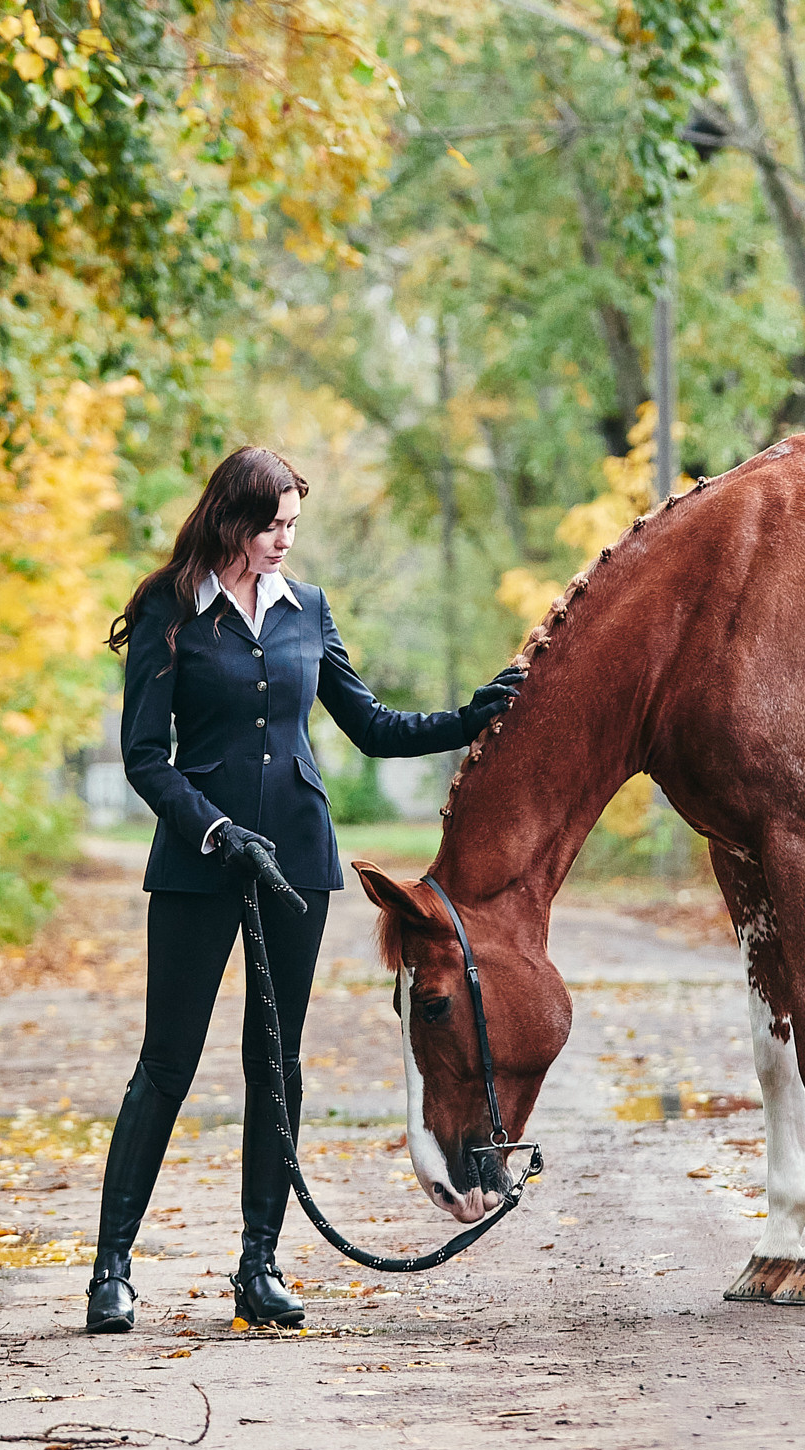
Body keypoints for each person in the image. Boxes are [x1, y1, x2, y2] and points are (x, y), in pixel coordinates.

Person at [91, 446, 522, 1333]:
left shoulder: (307, 610)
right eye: (274, 524)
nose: (287, 539)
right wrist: (215, 829)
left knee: (274, 1067)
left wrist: (467, 717)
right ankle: (112, 1269)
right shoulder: (167, 610)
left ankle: (259, 1263)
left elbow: (369, 726)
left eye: (294, 524)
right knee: (165, 1065)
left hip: (296, 864)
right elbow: (144, 758)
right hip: (198, 862)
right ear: (231, 520)